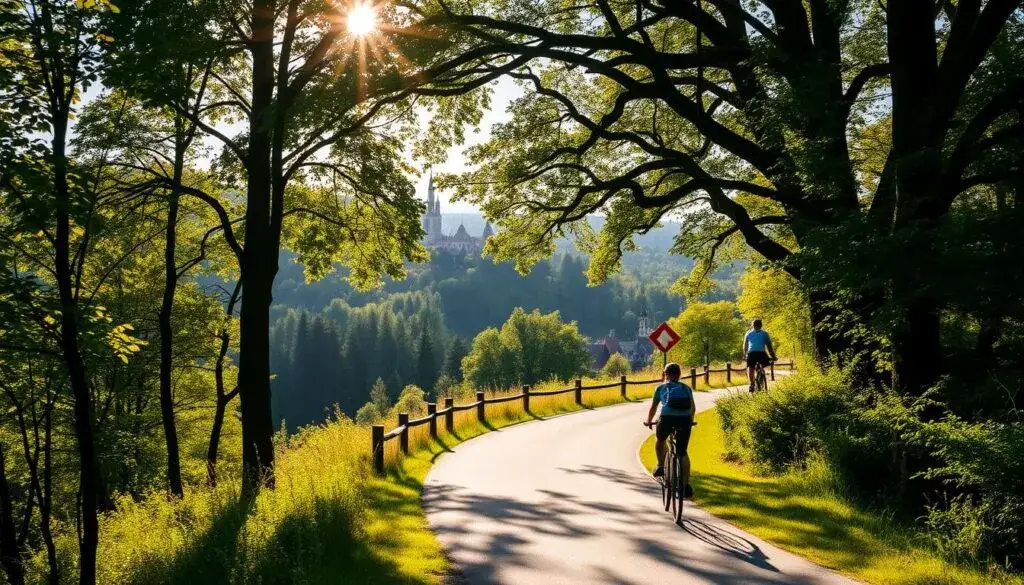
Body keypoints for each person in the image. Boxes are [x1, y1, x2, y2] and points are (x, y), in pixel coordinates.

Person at [643, 363, 694, 492]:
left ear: (665, 374)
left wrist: (649, 420)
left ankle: (660, 465)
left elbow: (654, 407)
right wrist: (690, 421)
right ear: (679, 375)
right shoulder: (686, 388)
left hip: (666, 418)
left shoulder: (661, 388)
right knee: (682, 453)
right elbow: (692, 408)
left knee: (660, 440)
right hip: (685, 420)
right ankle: (685, 486)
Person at [743, 319, 776, 391]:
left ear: (753, 325)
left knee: (751, 368)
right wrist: (773, 356)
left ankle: (751, 384)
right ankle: (761, 372)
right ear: (761, 325)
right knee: (764, 364)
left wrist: (746, 354)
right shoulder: (765, 334)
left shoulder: (748, 333)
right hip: (761, 353)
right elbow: (769, 346)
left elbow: (745, 346)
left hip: (751, 353)